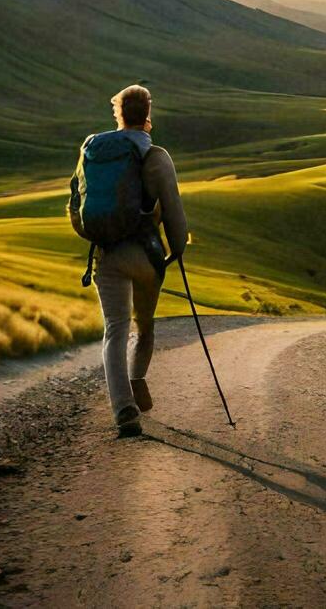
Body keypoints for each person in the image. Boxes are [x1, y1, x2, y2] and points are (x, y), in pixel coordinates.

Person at [84, 84, 187, 438]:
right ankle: (137, 378)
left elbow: (76, 199)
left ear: (118, 114)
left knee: (114, 329)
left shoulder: (94, 149)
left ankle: (124, 409)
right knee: (144, 325)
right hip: (145, 255)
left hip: (106, 253)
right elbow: (173, 209)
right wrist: (177, 249)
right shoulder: (155, 155)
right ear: (147, 115)